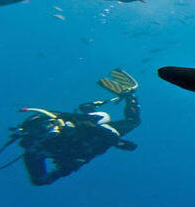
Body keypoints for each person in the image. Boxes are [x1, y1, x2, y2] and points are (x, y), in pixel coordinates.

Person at [0, 69, 140, 186]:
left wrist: (117, 143)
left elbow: (93, 128)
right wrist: (64, 170)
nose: (48, 132)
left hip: (94, 130)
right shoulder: (34, 151)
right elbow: (39, 180)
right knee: (130, 122)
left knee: (113, 119)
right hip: (93, 138)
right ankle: (120, 98)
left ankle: (125, 97)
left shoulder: (61, 131)